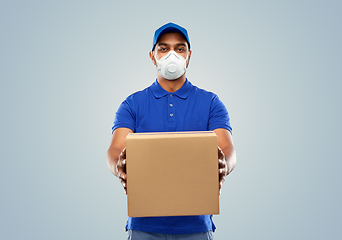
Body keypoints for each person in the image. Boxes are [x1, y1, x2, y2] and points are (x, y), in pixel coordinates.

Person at [106, 22, 236, 240]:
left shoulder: (211, 102)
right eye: (164, 49)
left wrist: (225, 165)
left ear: (189, 55)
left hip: (196, 225)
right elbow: (115, 148)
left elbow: (227, 148)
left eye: (180, 48)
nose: (172, 55)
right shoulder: (132, 104)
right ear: (152, 56)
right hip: (143, 225)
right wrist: (118, 166)